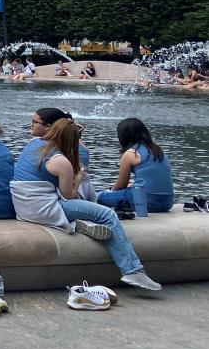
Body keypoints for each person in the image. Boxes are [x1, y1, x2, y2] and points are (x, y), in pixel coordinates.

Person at [25, 119, 161, 291]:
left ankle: (80, 223)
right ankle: (132, 270)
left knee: (94, 206)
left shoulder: (33, 146)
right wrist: (78, 178)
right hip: (47, 209)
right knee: (108, 214)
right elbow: (70, 196)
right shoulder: (62, 161)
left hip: (27, 207)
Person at [96, 118, 174, 214]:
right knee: (129, 188)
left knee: (99, 197)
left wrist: (110, 191)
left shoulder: (130, 153)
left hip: (148, 202)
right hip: (168, 202)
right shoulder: (157, 150)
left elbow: (121, 185)